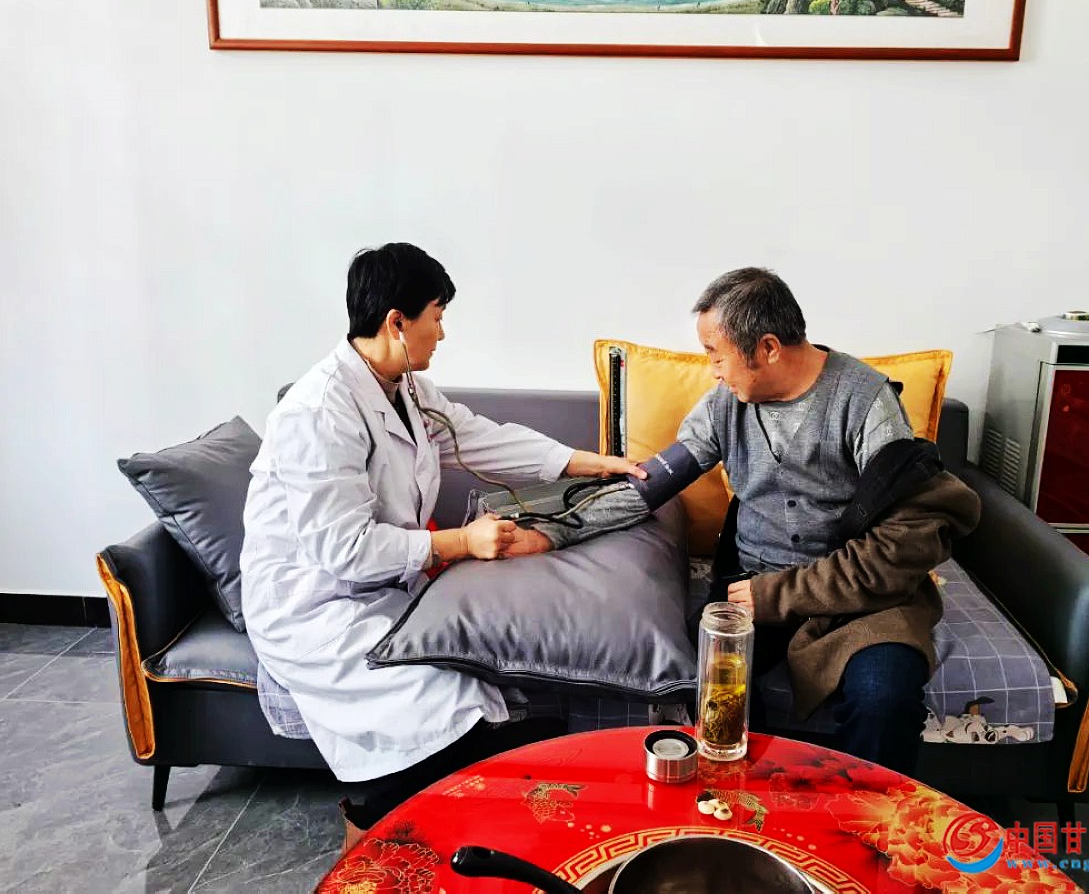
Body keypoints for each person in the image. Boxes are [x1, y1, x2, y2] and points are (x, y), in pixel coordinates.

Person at [239, 243, 643, 848]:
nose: (443, 332)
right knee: (441, 706)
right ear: (397, 322)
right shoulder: (319, 412)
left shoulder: (405, 388)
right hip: (315, 606)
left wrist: (593, 463)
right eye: (437, 315)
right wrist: (462, 542)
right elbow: (344, 550)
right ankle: (377, 832)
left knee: (469, 697)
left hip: (380, 589)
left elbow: (483, 439)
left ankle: (424, 825)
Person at [524, 267, 981, 776]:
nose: (713, 372)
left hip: (859, 599)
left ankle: (865, 821)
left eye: (716, 355)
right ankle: (737, 809)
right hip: (750, 590)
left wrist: (777, 594)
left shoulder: (866, 403)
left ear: (767, 348)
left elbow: (900, 547)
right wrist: (551, 531)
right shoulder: (725, 405)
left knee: (885, 696)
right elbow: (647, 487)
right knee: (710, 687)